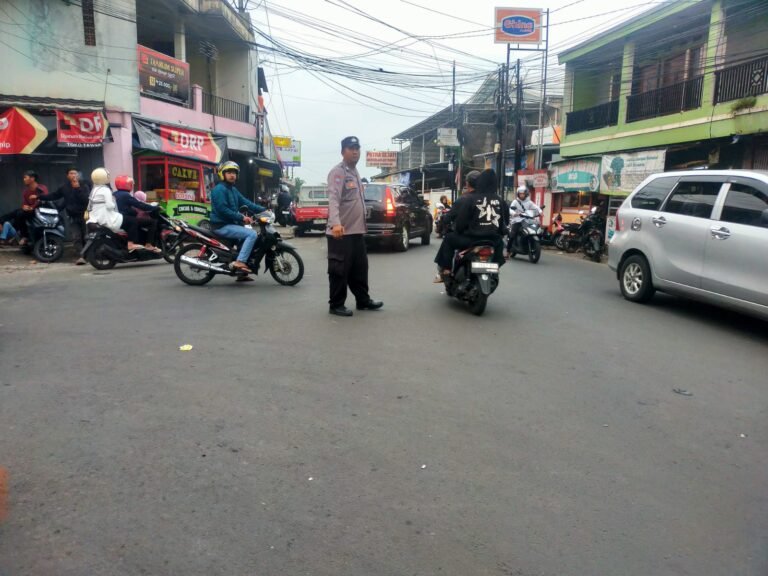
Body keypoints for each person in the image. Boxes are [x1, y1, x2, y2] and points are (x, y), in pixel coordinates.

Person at [326, 136, 383, 317]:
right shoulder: (338, 172)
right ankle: (336, 304)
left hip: (357, 231)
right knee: (339, 270)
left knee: (360, 269)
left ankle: (363, 300)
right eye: (351, 148)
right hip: (341, 232)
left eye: (357, 148)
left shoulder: (355, 172)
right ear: (343, 151)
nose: (355, 151)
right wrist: (336, 224)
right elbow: (334, 199)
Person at [433, 169, 506, 282]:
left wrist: (457, 230)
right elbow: (505, 223)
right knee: (500, 247)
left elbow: (460, 223)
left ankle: (446, 270)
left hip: (471, 240)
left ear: (468, 183)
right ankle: (494, 271)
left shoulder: (469, 199)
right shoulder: (500, 200)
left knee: (449, 239)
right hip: (493, 240)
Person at [209, 160, 266, 275]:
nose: (232, 175)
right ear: (222, 174)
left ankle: (241, 274)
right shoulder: (219, 189)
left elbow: (247, 203)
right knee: (251, 234)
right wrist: (241, 218)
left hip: (230, 224)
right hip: (221, 225)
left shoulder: (232, 190)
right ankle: (240, 262)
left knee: (248, 235)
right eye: (229, 172)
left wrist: (264, 210)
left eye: (234, 173)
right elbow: (223, 210)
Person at [37, 166, 90, 264]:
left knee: (87, 236)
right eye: (71, 173)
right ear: (67, 176)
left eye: (75, 173)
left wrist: (77, 188)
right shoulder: (64, 187)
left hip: (85, 215)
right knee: (76, 237)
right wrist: (40, 197)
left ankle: (90, 256)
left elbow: (86, 200)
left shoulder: (84, 185)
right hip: (72, 216)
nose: (73, 175)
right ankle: (81, 256)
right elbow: (54, 195)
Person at [86, 168, 142, 252]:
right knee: (132, 221)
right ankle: (131, 244)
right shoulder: (106, 190)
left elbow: (89, 206)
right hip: (108, 218)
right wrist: (112, 202)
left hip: (94, 218)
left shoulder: (94, 190)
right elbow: (109, 206)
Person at [113, 176, 161, 253]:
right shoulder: (126, 195)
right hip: (125, 219)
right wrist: (153, 208)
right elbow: (139, 205)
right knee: (153, 222)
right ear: (127, 185)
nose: (132, 186)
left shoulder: (114, 194)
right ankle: (148, 245)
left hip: (117, 218)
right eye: (131, 184)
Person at [507, 185, 542, 254]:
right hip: (517, 220)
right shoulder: (515, 201)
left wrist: (540, 212)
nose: (521, 195)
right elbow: (510, 209)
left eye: (523, 194)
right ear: (518, 194)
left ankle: (528, 243)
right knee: (512, 235)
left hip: (527, 220)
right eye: (520, 194)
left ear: (526, 194)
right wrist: (514, 213)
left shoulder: (529, 202)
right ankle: (508, 250)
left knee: (536, 228)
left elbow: (535, 207)